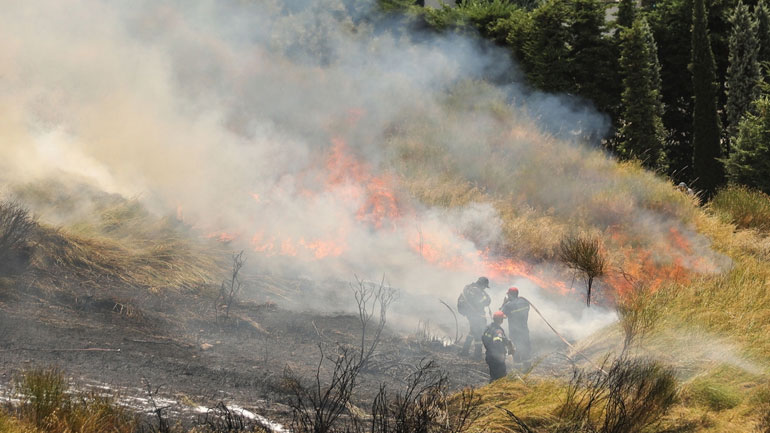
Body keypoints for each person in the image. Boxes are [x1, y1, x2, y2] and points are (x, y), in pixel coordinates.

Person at [457, 276, 491, 359]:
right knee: (478, 334)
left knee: (472, 332)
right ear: (482, 284)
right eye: (485, 286)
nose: (485, 288)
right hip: (476, 315)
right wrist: (485, 299)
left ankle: (465, 351)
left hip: (471, 314)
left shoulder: (469, 288)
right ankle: (477, 355)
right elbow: (487, 301)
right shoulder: (477, 291)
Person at [500, 287, 531, 369]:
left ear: (510, 295)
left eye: (508, 294)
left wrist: (504, 303)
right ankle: (527, 367)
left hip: (514, 332)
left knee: (515, 349)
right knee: (526, 348)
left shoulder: (508, 305)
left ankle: (518, 369)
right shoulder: (525, 302)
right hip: (524, 330)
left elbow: (499, 315)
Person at [482, 311, 513, 381]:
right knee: (501, 378)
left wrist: (506, 341)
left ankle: (491, 389)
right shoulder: (498, 331)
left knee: (493, 376)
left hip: (489, 356)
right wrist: (501, 354)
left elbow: (483, 339)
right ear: (501, 320)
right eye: (502, 319)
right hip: (497, 358)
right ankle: (497, 391)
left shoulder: (488, 328)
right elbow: (497, 342)